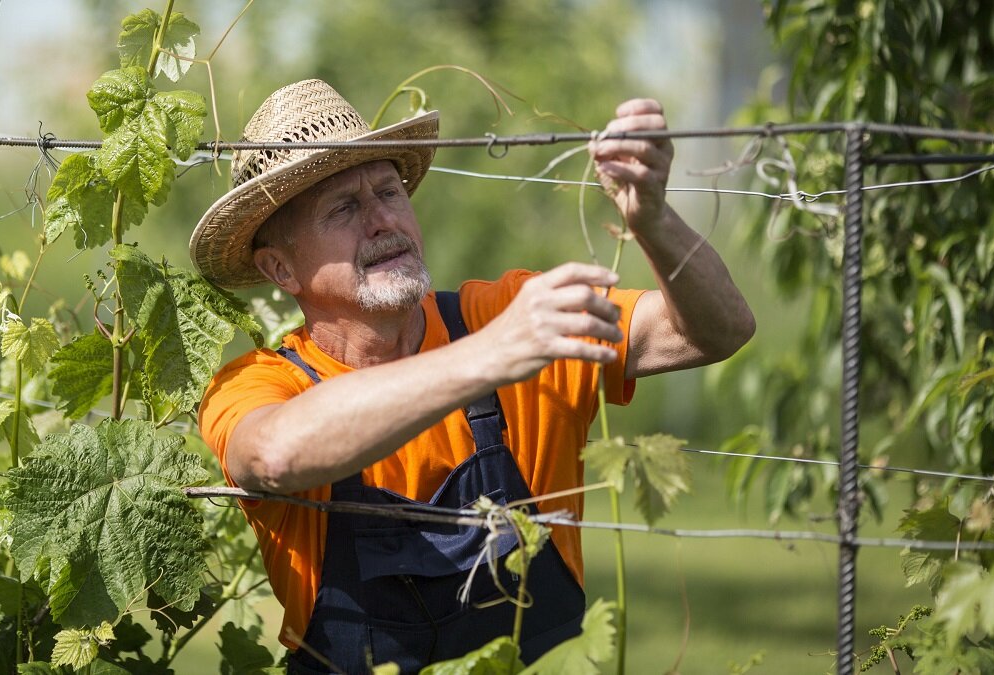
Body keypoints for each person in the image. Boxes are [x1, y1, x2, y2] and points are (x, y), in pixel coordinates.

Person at [192, 79, 754, 674]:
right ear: (280, 266)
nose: (384, 221)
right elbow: (276, 454)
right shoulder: (257, 383)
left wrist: (654, 219)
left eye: (389, 191)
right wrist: (489, 356)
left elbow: (716, 330)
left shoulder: (508, 315)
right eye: (344, 209)